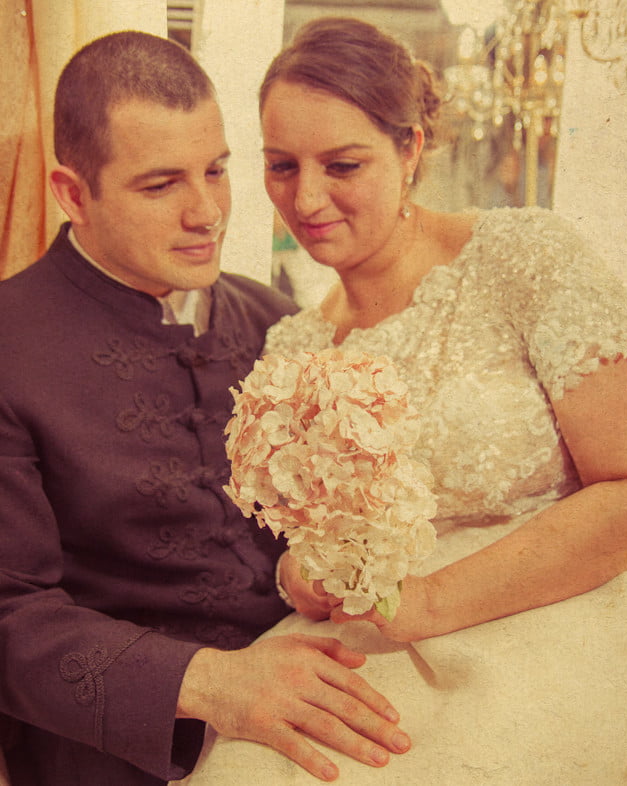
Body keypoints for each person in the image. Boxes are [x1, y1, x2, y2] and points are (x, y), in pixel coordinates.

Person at [176, 17, 627, 785]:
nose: (305, 198)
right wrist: (300, 578)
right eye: (281, 166)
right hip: (379, 646)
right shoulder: (294, 346)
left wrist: (430, 603)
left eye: (342, 164)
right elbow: (306, 545)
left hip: (567, 615)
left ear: (410, 148)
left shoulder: (525, 258)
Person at [0, 30, 413, 786]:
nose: (206, 213)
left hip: (315, 714)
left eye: (217, 171)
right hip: (113, 757)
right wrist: (213, 685)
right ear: (71, 193)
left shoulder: (276, 320)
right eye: (160, 185)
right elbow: (8, 613)